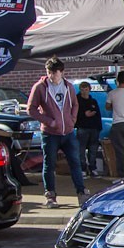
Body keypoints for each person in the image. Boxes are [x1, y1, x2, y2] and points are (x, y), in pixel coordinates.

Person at [26, 57, 89, 208]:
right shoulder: (40, 87)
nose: (52, 76)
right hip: (50, 133)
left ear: (62, 72)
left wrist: (72, 119)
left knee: (75, 162)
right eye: (49, 72)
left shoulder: (68, 86)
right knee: (49, 164)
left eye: (55, 73)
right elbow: (31, 109)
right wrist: (48, 121)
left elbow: (75, 104)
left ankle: (81, 192)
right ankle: (50, 195)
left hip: (68, 132)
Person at [105, 70, 124, 177]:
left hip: (118, 124)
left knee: (121, 151)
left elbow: (107, 107)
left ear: (117, 80)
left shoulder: (112, 93)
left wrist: (115, 105)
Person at [74, 80, 102, 177]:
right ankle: (82, 168)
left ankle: (93, 168)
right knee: (81, 149)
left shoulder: (93, 101)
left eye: (86, 89)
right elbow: (74, 114)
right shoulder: (77, 102)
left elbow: (98, 115)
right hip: (82, 127)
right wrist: (84, 115)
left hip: (94, 128)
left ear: (89, 90)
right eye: (82, 90)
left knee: (93, 149)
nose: (84, 92)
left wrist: (99, 128)